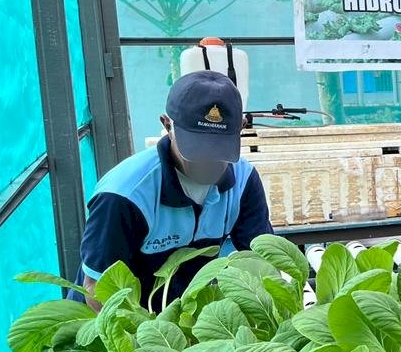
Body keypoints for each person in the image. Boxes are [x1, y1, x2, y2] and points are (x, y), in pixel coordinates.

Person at [80, 70, 273, 310]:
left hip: (183, 319)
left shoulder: (244, 181)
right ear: (167, 124)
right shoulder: (124, 195)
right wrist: (143, 342)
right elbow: (97, 288)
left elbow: (263, 261)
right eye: (198, 146)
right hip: (120, 322)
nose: (210, 159)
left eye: (220, 146)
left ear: (241, 128)